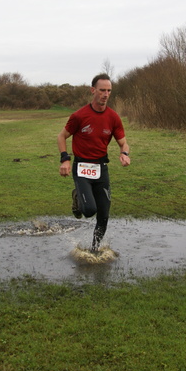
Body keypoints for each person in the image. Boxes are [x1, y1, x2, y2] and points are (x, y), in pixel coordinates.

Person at [57, 73, 131, 252]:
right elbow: (62, 136)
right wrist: (65, 159)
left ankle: (94, 250)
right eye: (102, 90)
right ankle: (77, 197)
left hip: (101, 169)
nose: (105, 94)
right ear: (93, 91)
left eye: (109, 91)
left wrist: (125, 153)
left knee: (104, 215)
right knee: (89, 210)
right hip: (81, 167)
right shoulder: (79, 116)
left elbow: (123, 142)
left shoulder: (113, 117)